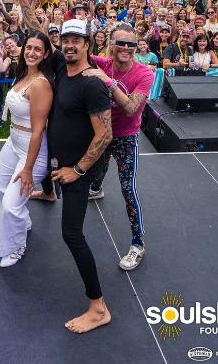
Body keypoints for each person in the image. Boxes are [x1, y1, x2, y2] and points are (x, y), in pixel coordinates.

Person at [49, 19, 113, 334]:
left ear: (88, 44)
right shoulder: (64, 66)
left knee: (72, 234)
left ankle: (98, 307)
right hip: (61, 163)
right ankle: (48, 191)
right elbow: (38, 30)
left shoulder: (92, 84)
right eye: (66, 39)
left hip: (78, 170)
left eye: (77, 40)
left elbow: (105, 135)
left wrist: (77, 171)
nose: (70, 45)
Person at [85, 24, 153, 270]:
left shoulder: (144, 74)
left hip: (126, 137)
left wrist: (108, 81)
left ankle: (138, 244)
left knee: (127, 188)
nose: (126, 48)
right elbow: (67, 49)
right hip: (103, 133)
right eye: (121, 43)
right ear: (111, 44)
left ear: (136, 47)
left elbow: (131, 108)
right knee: (97, 168)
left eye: (130, 44)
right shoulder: (100, 62)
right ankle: (96, 187)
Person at [0, 32, 53, 268]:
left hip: (32, 150)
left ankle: (16, 246)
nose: (32, 53)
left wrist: (27, 169)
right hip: (13, 141)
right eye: (29, 48)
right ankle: (19, 222)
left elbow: (38, 131)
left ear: (46, 54)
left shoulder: (41, 85)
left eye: (38, 49)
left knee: (11, 203)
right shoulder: (24, 74)